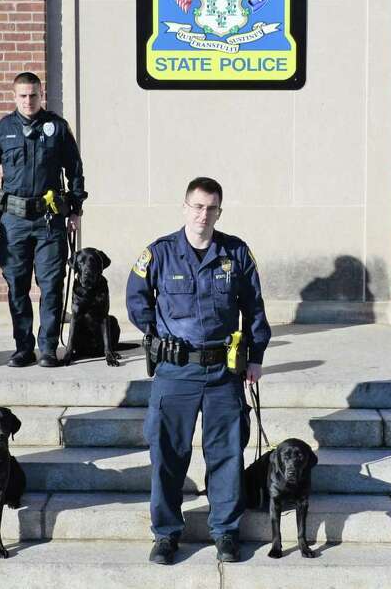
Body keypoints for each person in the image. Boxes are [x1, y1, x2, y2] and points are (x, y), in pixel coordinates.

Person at [126, 177, 270, 566]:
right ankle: (166, 535)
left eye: (211, 208)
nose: (203, 214)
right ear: (185, 207)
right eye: (197, 206)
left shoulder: (235, 253)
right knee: (169, 455)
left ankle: (225, 532)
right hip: (175, 372)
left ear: (219, 211)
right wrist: (158, 337)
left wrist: (254, 356)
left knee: (225, 455)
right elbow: (136, 300)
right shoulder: (160, 253)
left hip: (223, 373)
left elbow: (254, 307)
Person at [0, 71, 87, 368]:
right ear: (15, 97)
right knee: (17, 287)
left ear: (42, 96)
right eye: (23, 96)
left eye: (33, 95)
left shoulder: (57, 128)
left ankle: (48, 348)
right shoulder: (2, 130)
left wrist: (75, 210)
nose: (28, 100)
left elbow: (75, 171)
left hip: (49, 221)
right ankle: (23, 348)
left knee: (51, 286)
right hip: (13, 222)